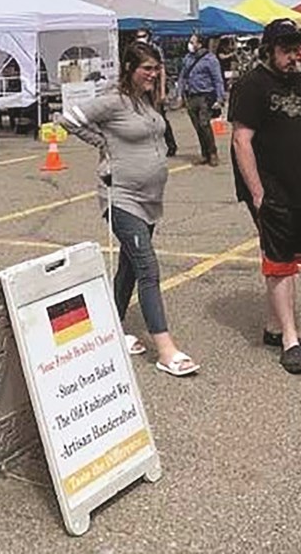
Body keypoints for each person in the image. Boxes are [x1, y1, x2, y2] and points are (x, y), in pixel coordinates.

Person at [58, 41, 200, 377]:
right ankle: (166, 350)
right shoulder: (114, 101)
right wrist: (103, 143)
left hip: (150, 200)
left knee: (130, 268)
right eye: (146, 68)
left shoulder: (147, 102)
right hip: (121, 198)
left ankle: (109, 328)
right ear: (129, 69)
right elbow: (69, 119)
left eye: (156, 68)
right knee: (148, 268)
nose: (153, 74)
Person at [229, 19, 301, 374]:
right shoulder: (252, 85)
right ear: (268, 50)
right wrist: (257, 194)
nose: (292, 55)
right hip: (271, 189)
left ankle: (274, 327)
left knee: (291, 260)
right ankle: (290, 340)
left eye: (296, 48)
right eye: (285, 49)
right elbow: (242, 140)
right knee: (279, 260)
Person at [178, 34, 225, 166]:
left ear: (200, 44)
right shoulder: (188, 58)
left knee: (205, 124)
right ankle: (204, 154)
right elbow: (182, 76)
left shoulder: (210, 60)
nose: (190, 44)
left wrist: (220, 98)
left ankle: (212, 153)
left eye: (192, 42)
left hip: (205, 96)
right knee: (197, 126)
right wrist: (180, 94)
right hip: (191, 95)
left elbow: (218, 79)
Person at [135, 28, 178, 156]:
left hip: (155, 89)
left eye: (143, 35)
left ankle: (171, 145)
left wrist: (162, 91)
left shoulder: (155, 50)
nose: (140, 38)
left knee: (160, 117)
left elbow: (162, 70)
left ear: (148, 36)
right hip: (141, 90)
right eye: (138, 36)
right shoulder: (136, 50)